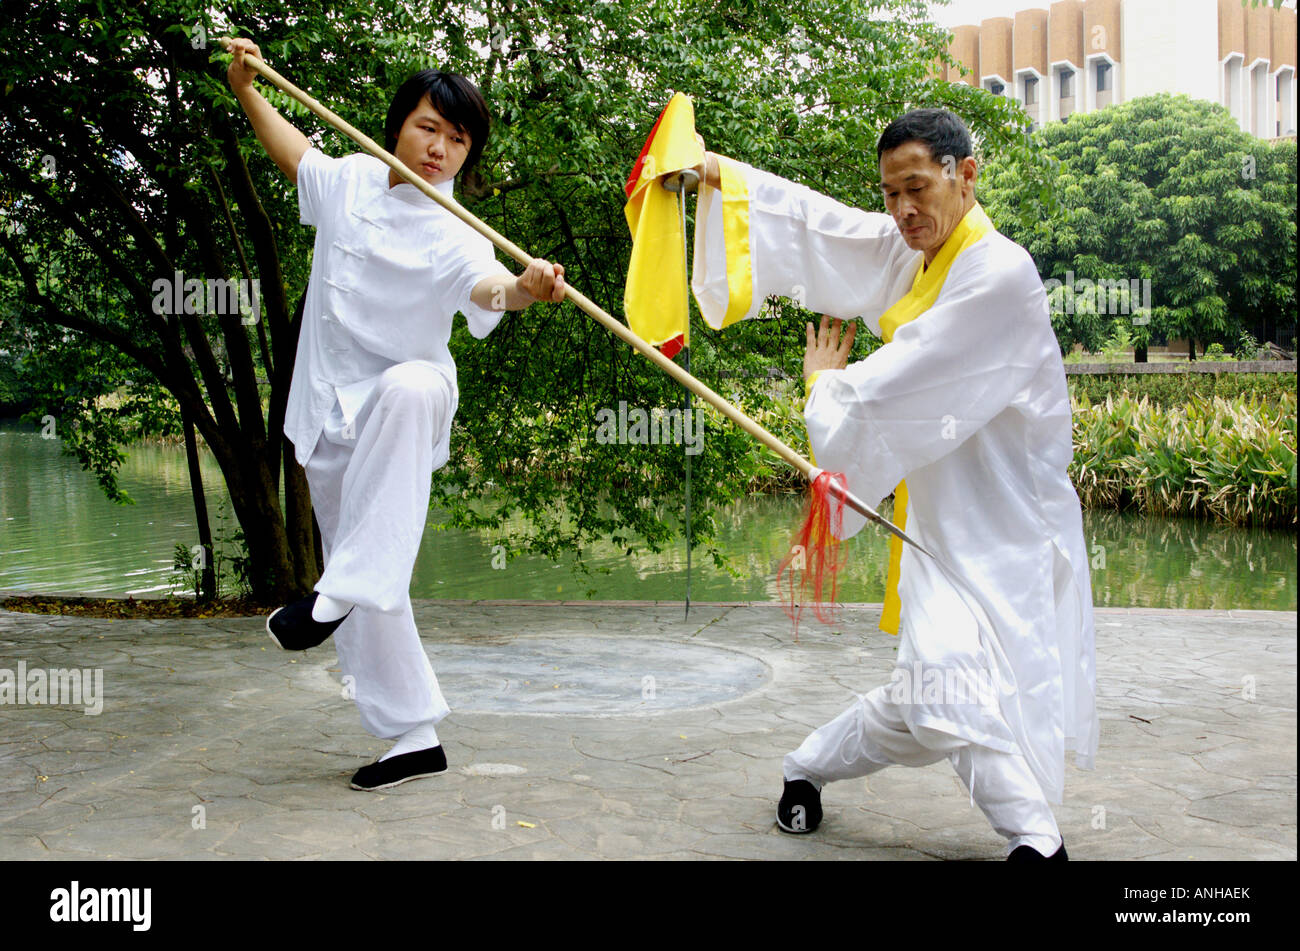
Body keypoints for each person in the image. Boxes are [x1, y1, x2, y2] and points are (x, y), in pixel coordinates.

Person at [691, 108, 1096, 860]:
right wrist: (720, 178)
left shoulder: (998, 273)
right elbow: (825, 229)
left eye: (917, 187)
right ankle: (1037, 842)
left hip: (1005, 521)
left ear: (964, 174)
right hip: (943, 520)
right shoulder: (914, 251)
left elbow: (906, 378)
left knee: (933, 695)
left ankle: (804, 766)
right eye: (890, 194)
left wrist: (822, 390)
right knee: (939, 685)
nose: (903, 209)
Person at [225, 38, 566, 791]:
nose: (441, 148)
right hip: (328, 421)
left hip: (407, 411)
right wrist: (245, 87)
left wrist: (524, 286)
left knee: (411, 384)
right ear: (397, 126)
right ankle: (414, 735)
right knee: (372, 577)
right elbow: (292, 153)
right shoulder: (347, 182)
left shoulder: (458, 231)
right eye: (428, 128)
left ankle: (334, 592)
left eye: (458, 138)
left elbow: (487, 288)